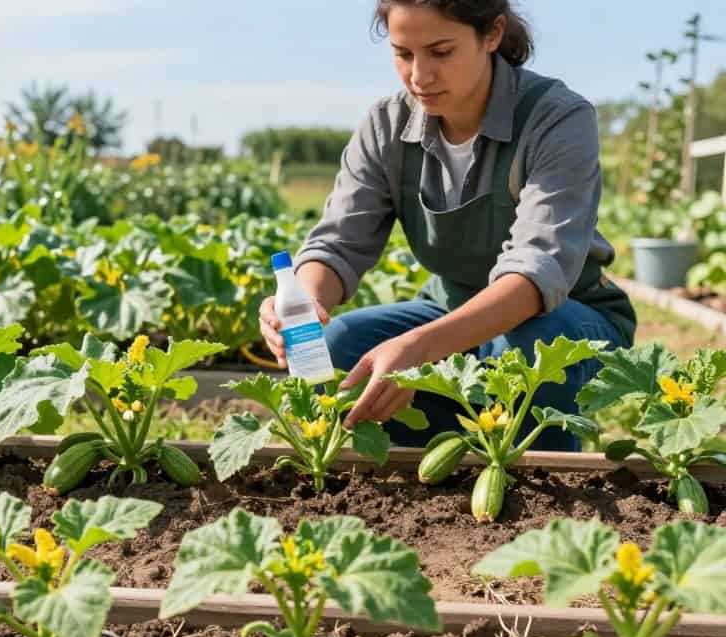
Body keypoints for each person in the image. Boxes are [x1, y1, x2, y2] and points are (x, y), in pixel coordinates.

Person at [259, 0, 635, 451]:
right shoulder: (387, 126)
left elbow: (537, 272)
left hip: (567, 321)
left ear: (492, 35)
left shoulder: (556, 117)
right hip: (449, 311)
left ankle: (541, 480)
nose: (419, 75)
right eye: (403, 53)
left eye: (440, 52)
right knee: (343, 346)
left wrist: (420, 350)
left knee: (525, 348)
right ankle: (426, 472)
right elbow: (339, 241)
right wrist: (304, 303)